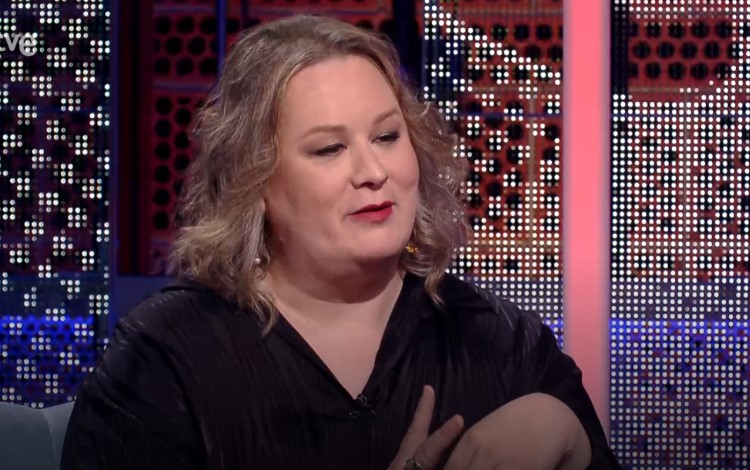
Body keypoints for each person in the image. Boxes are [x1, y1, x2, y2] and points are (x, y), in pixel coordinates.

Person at [61, 14, 621, 470]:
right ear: (255, 183)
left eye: (387, 136)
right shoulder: (165, 358)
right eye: (329, 149)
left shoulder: (503, 344)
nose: (373, 171)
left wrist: (565, 432)